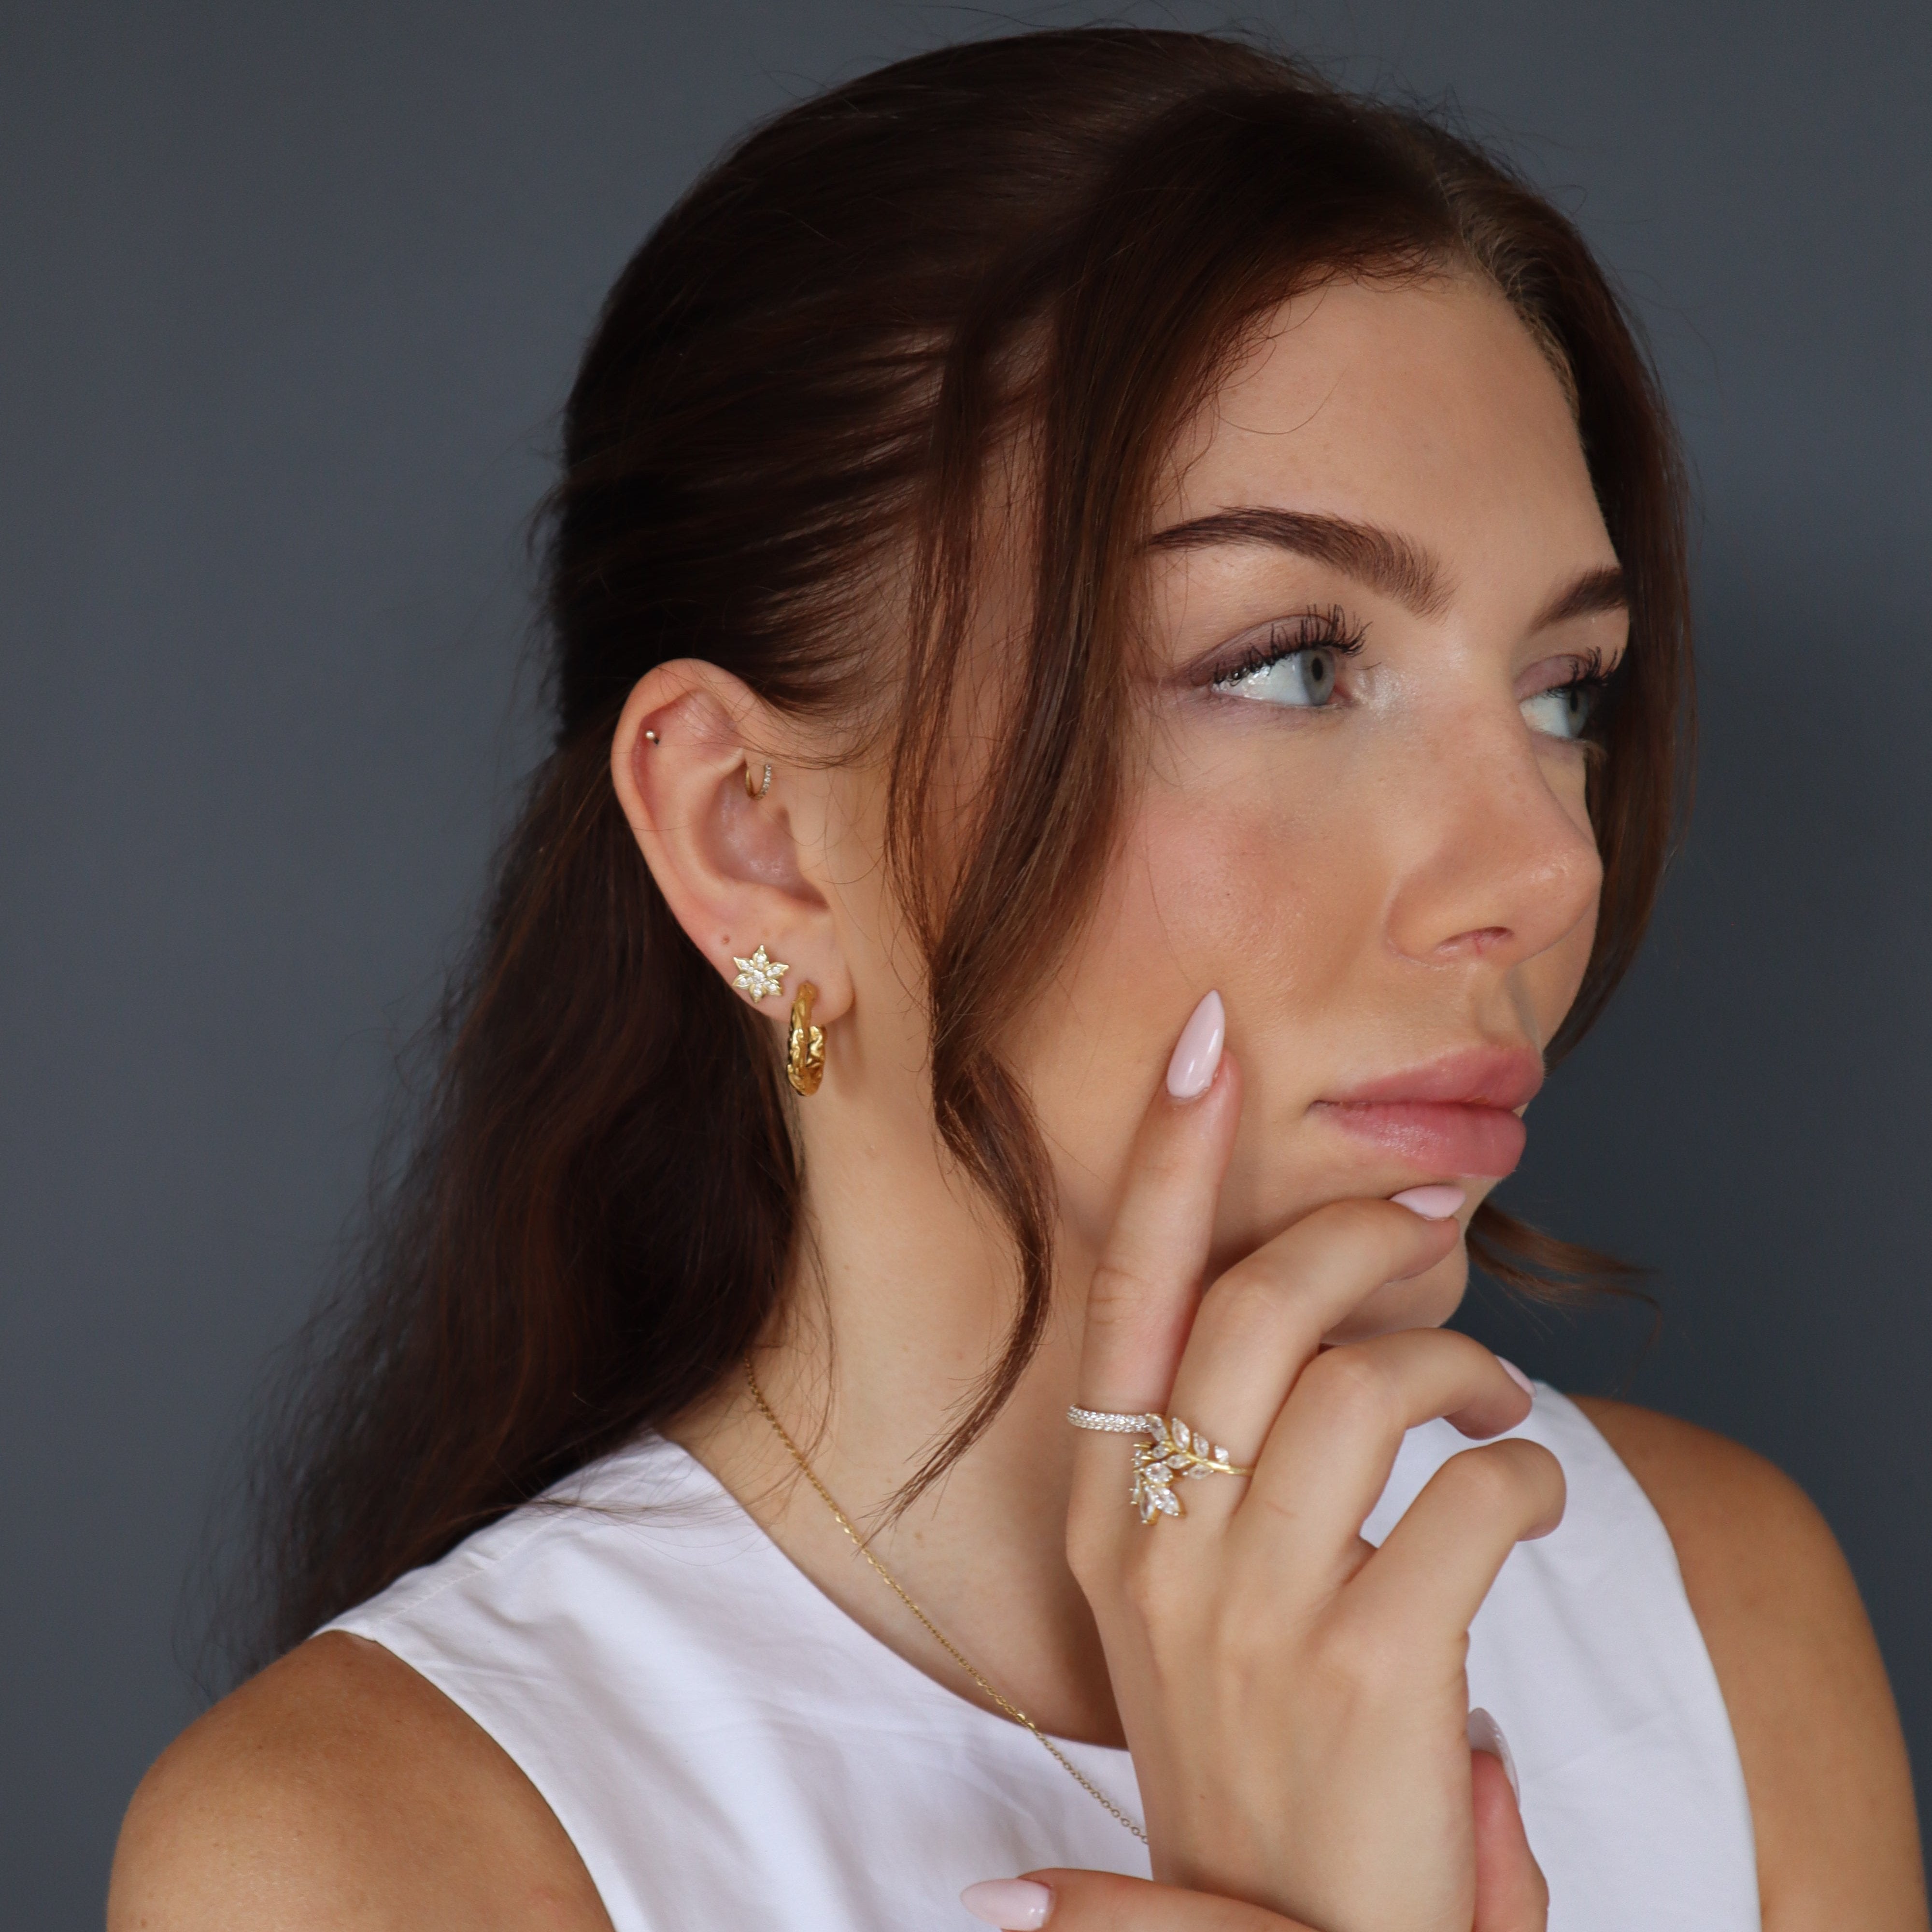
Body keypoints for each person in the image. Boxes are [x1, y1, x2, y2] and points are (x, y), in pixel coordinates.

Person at [108, 28, 1924, 1932]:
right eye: (1291, 664)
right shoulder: (374, 1851)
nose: (1546, 865)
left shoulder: (1716, 1615)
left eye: (1564, 692)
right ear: (754, 832)